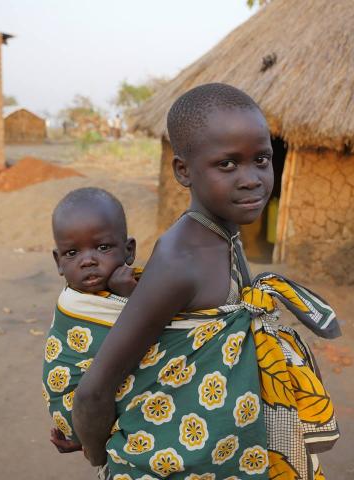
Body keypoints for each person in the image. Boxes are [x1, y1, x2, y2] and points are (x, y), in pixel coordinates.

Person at [72, 84, 340, 479]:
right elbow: (95, 388)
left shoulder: (224, 235)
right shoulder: (183, 259)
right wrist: (99, 456)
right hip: (172, 461)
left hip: (229, 451)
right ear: (183, 171)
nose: (251, 179)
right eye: (228, 164)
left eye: (262, 159)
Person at [42, 187, 138, 455]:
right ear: (58, 261)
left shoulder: (122, 288)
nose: (88, 261)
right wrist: (130, 299)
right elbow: (149, 338)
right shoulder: (74, 305)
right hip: (81, 411)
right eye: (72, 253)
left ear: (129, 249)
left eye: (103, 247)